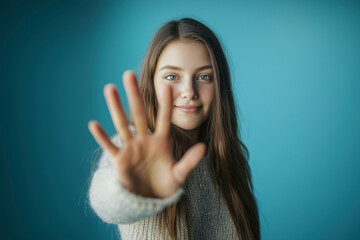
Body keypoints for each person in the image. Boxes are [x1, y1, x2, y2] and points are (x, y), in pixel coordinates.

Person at [87, 18, 260, 240]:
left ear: (220, 85)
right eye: (172, 77)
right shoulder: (134, 149)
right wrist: (129, 189)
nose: (189, 91)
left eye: (204, 77)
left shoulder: (230, 159)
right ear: (152, 83)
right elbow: (105, 200)